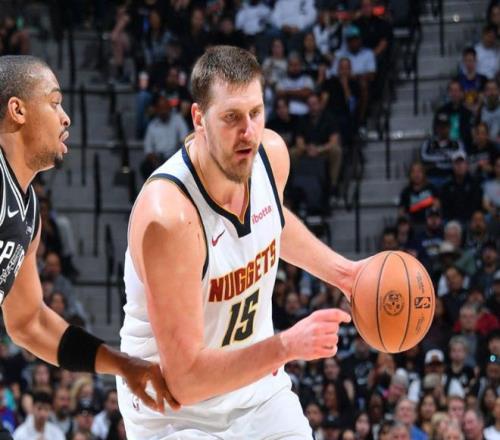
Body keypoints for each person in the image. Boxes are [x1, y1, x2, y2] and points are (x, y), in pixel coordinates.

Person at [117, 45, 364, 439]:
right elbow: (184, 380)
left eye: (255, 113)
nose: (248, 132)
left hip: (258, 392)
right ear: (199, 119)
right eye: (231, 117)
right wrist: (286, 346)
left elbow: (271, 222)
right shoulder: (169, 218)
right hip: (176, 413)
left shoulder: (270, 155)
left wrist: (346, 274)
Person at [0, 55, 177, 428]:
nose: (65, 118)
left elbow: (30, 322)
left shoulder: (28, 212)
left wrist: (122, 364)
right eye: (54, 102)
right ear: (17, 110)